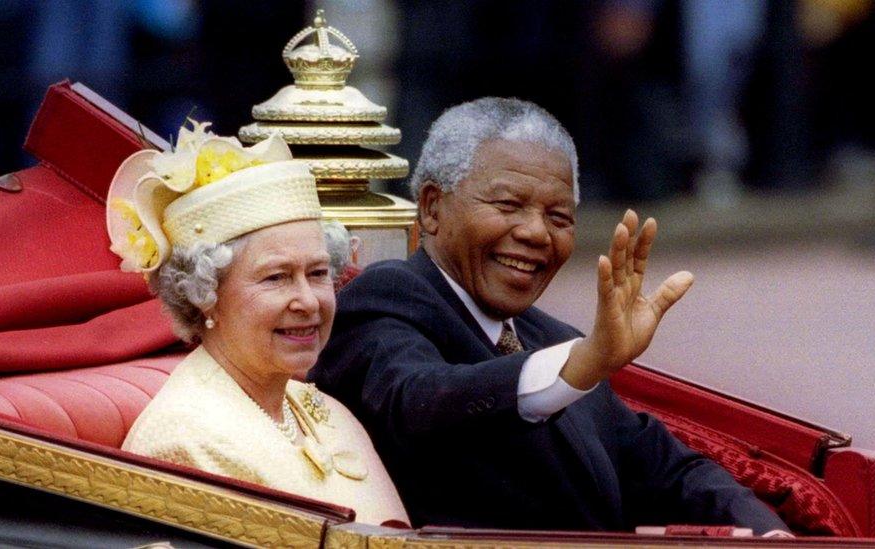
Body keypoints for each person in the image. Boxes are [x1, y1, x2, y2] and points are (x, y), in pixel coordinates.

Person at [309, 98, 789, 534]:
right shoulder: (388, 297)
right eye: (508, 205)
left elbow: (668, 469)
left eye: (559, 217)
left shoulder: (554, 338)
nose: (537, 233)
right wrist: (581, 363)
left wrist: (771, 536)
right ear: (433, 208)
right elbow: (419, 400)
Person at [107, 120, 407, 526]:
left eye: (318, 273)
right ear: (205, 295)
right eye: (276, 278)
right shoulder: (180, 440)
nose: (307, 301)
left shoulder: (321, 408)